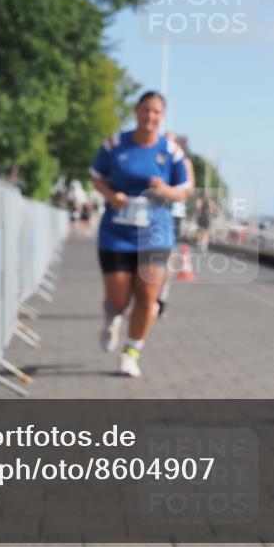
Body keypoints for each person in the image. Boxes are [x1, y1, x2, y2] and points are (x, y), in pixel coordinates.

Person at [89, 91, 191, 377]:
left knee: (148, 297)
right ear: (136, 112)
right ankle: (112, 317)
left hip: (155, 233)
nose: (150, 116)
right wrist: (111, 195)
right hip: (117, 232)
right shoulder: (115, 144)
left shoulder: (171, 151)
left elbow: (185, 189)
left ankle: (131, 353)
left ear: (162, 116)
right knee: (119, 298)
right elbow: (96, 176)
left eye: (156, 112)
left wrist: (166, 191)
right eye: (146, 110)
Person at [157, 133, 195, 320]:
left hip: (174, 214)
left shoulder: (184, 163)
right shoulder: (154, 157)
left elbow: (189, 190)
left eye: (171, 140)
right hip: (152, 212)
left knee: (168, 258)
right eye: (165, 139)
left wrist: (167, 190)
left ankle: (161, 298)